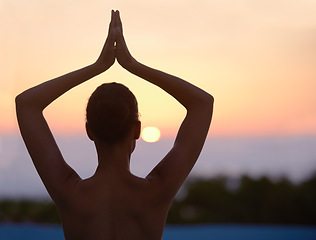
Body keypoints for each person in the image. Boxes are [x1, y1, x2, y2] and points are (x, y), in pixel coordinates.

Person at [16, 10, 214, 240]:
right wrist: (132, 64)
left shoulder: (69, 192)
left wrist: (97, 66)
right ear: (137, 130)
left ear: (89, 131)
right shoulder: (157, 190)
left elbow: (26, 104)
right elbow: (202, 104)